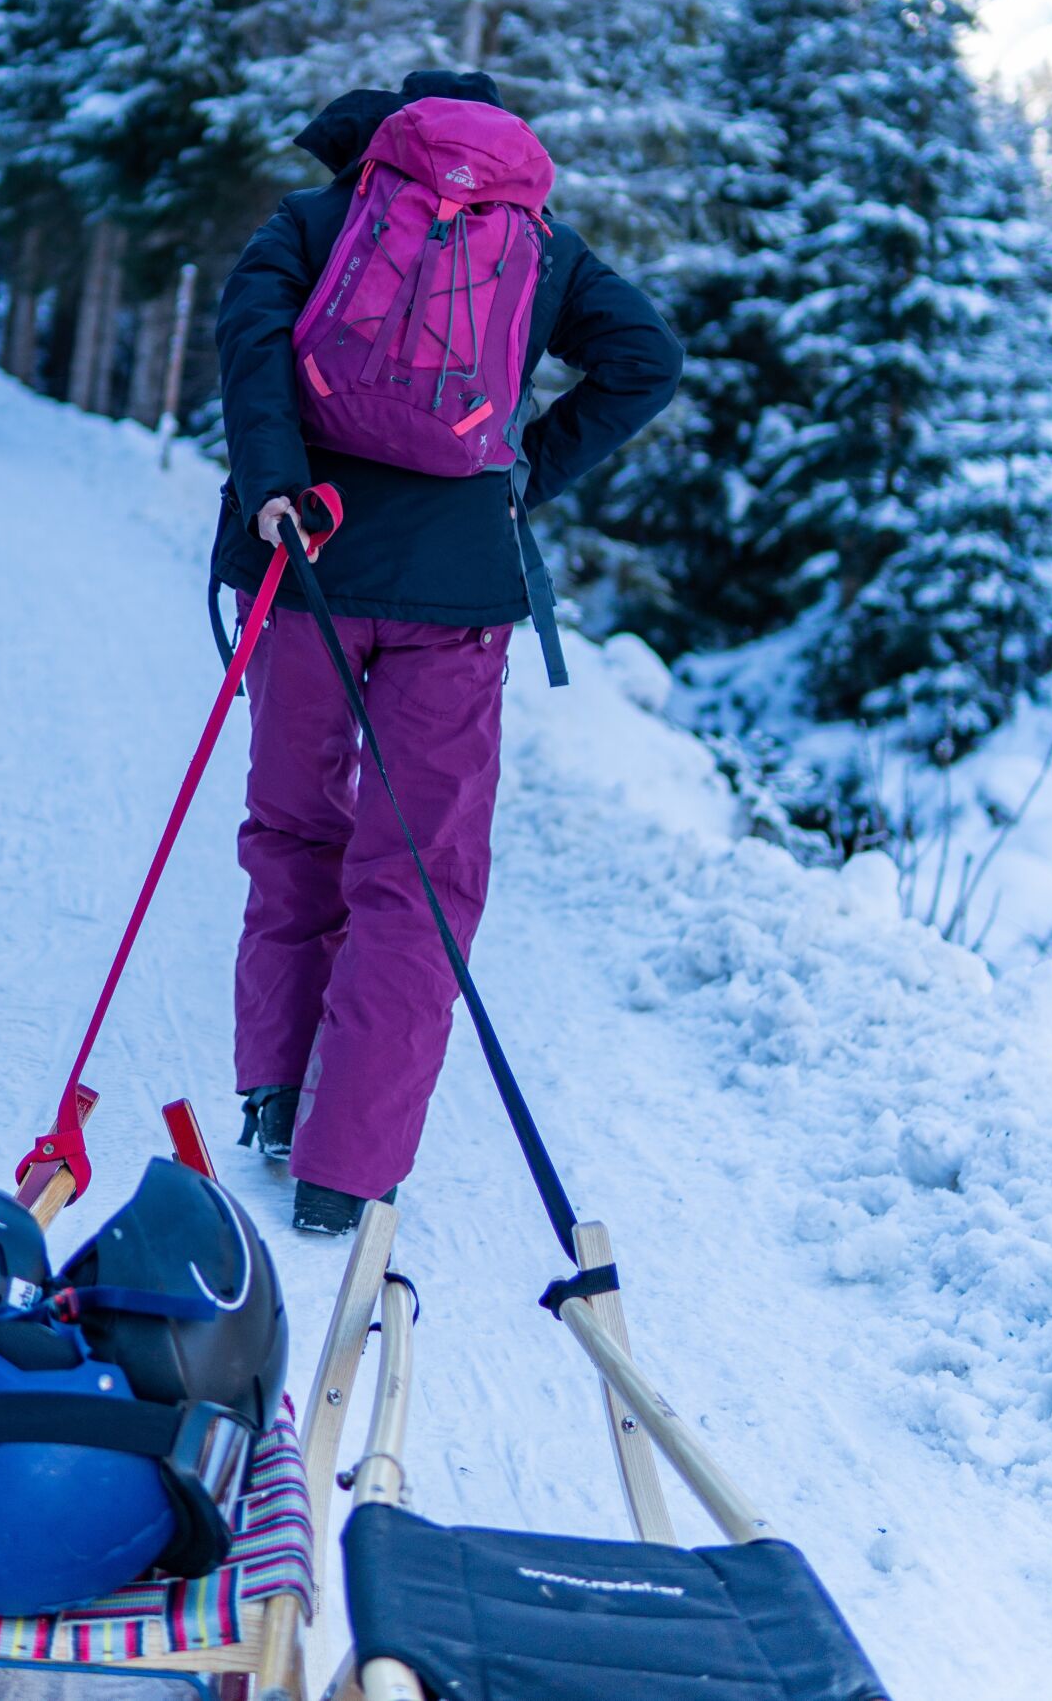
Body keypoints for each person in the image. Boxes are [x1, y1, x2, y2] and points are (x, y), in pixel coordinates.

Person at [212, 69, 683, 1237]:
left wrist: (277, 487)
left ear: (376, 145)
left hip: (306, 566)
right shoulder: (536, 248)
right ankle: (348, 1170)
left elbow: (250, 349)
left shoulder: (315, 222)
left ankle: (275, 1098)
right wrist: (526, 475)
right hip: (460, 596)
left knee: (294, 831)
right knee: (418, 874)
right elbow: (646, 360)